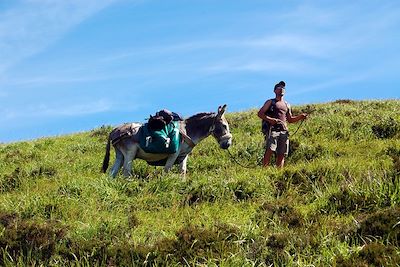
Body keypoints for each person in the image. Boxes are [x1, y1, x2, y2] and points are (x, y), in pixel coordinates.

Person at [257, 81, 308, 168]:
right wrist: (271, 120)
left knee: (282, 153)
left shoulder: (287, 105)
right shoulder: (270, 102)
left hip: (284, 131)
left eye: (283, 88)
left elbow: (290, 119)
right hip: (272, 130)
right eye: (279, 88)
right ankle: (264, 170)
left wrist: (300, 117)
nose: (282, 89)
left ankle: (279, 172)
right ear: (275, 91)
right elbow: (260, 113)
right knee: (269, 150)